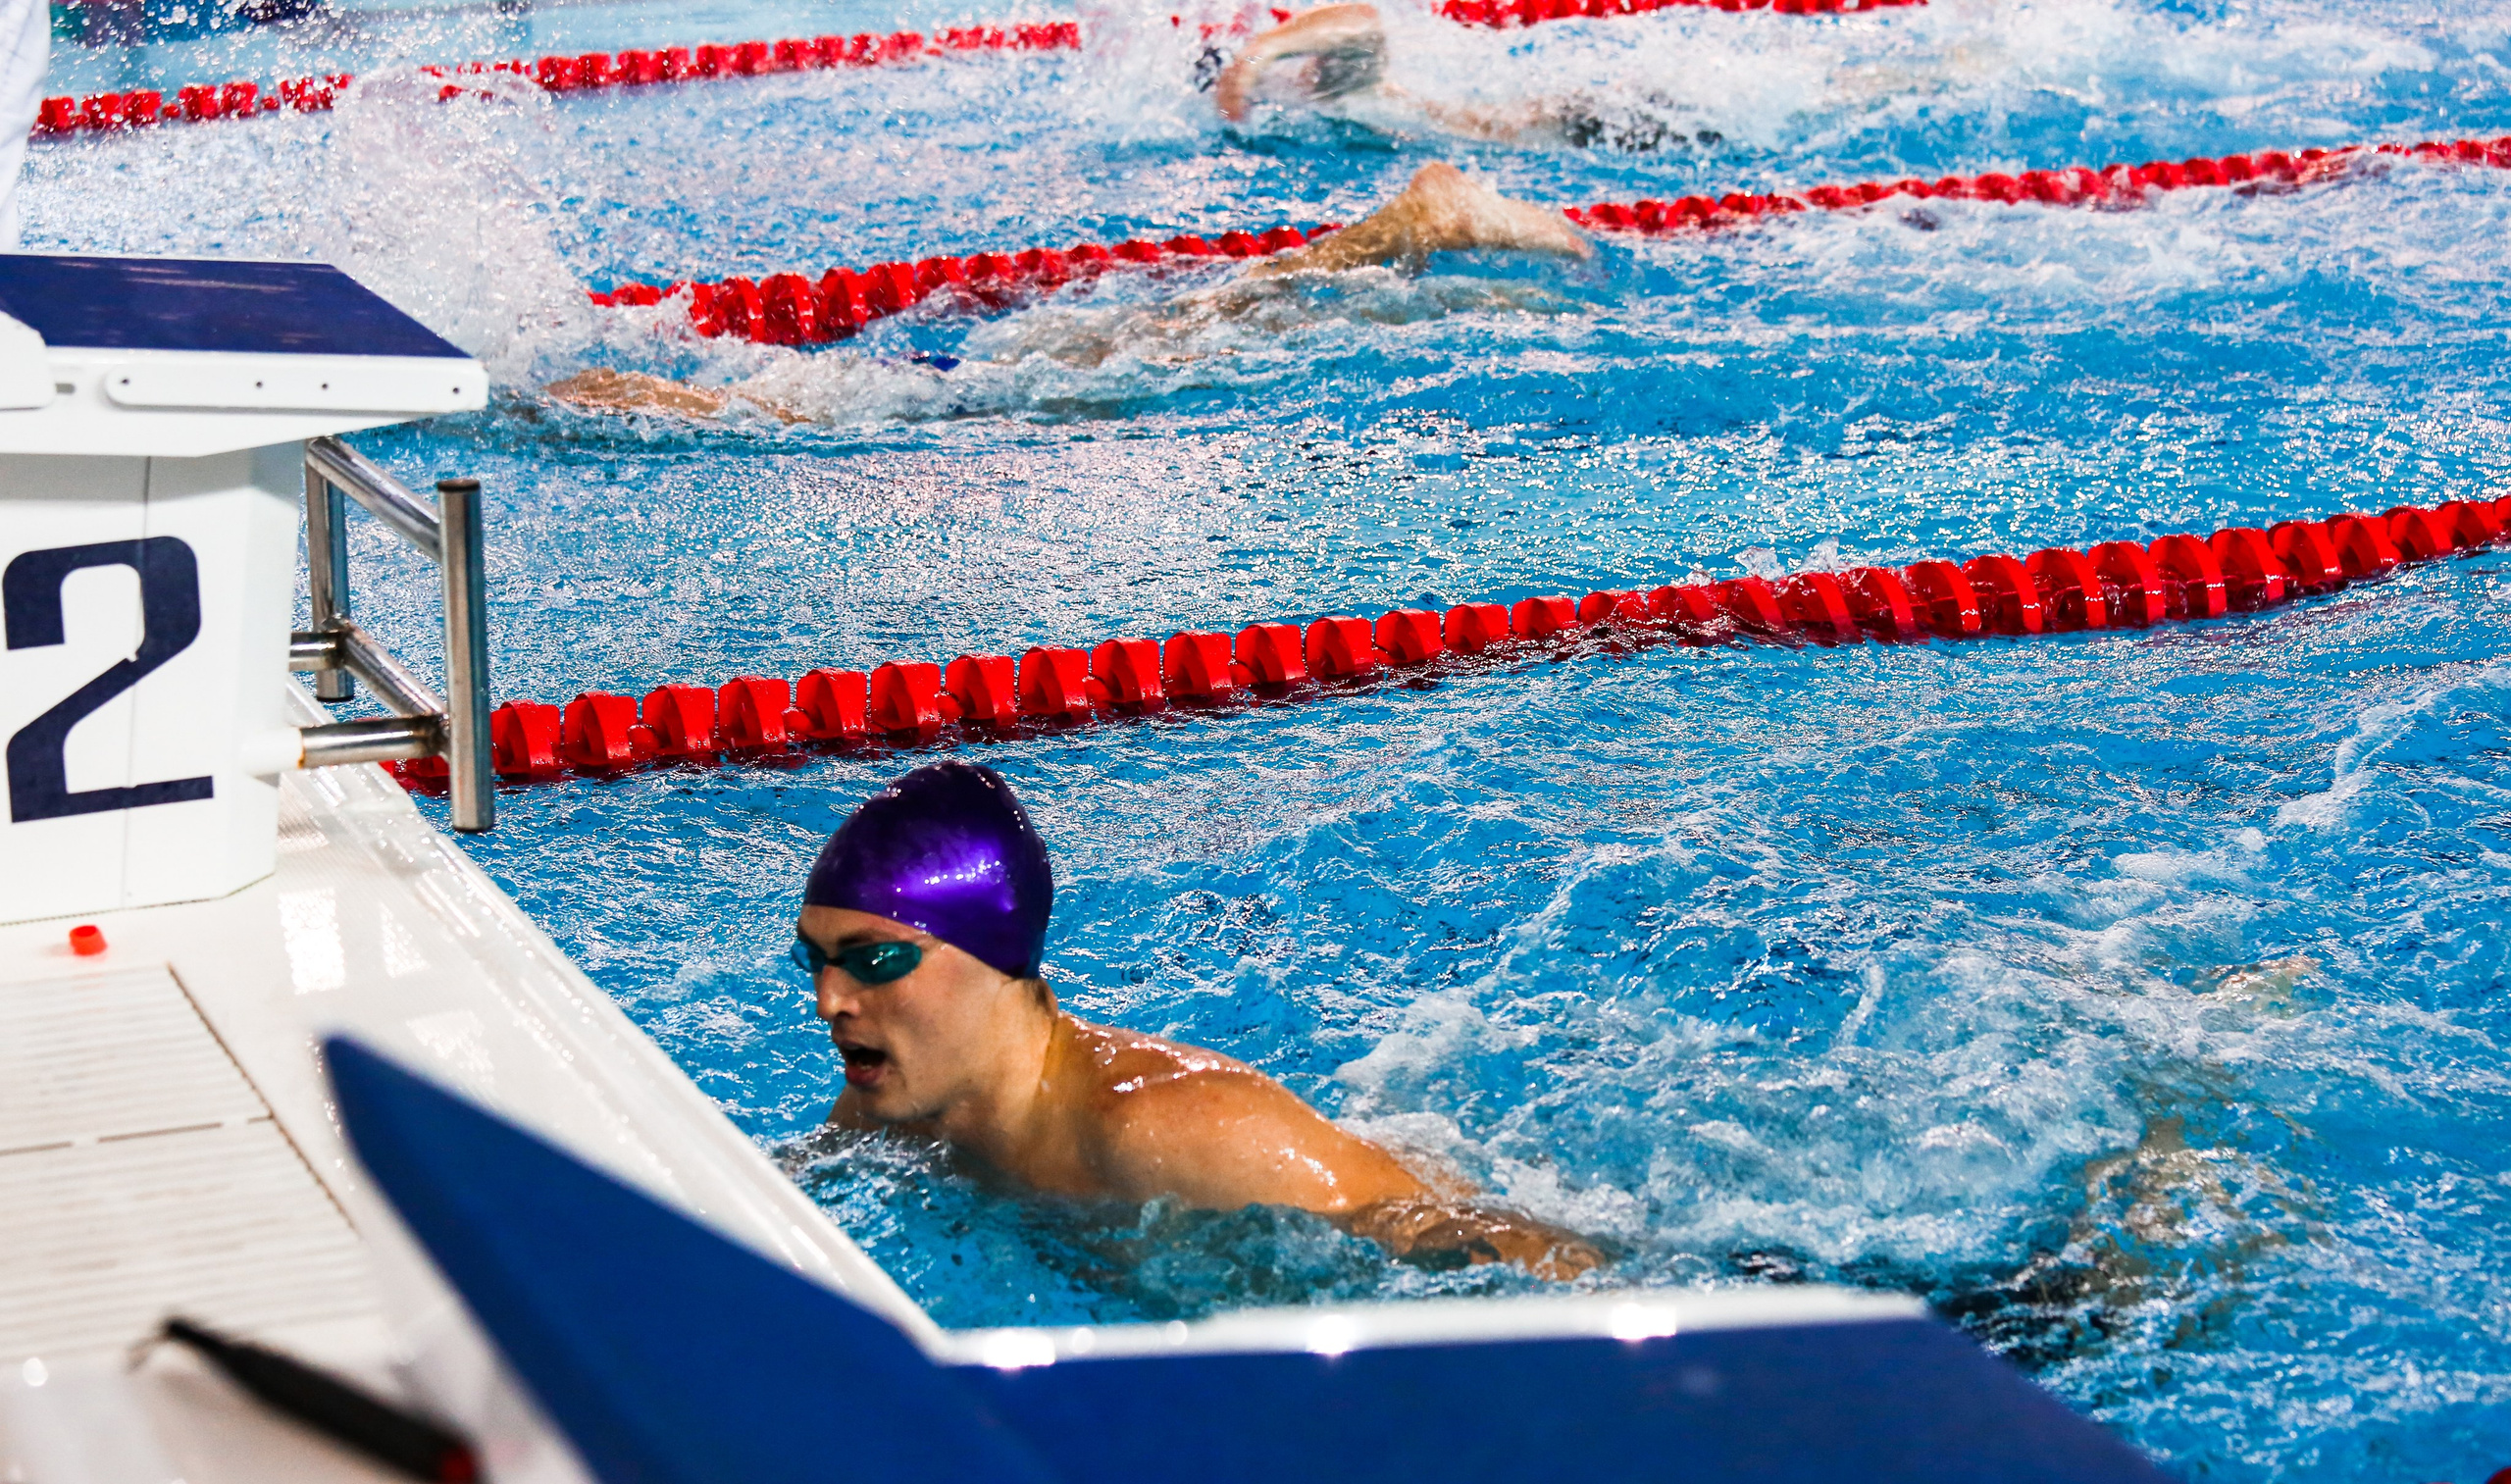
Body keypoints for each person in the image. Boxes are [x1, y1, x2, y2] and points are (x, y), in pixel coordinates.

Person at [793, 758, 1606, 1279]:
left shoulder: (1171, 1126)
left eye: (875, 958)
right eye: (817, 958)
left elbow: (1450, 1232)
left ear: (997, 958)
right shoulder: (893, 1104)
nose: (832, 998)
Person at [544, 161, 1590, 420]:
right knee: (1216, 319)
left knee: (1213, 320)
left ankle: (1412, 223)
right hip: (968, 372)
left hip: (979, 379)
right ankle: (1441, 266)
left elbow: (612, 388)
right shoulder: (764, 394)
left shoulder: (755, 406)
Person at [1213, 3, 1709, 153]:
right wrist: (1257, 56)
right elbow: (1364, 22)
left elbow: (1363, 28)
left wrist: (1257, 56)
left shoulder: (1357, 102)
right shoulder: (1348, 96)